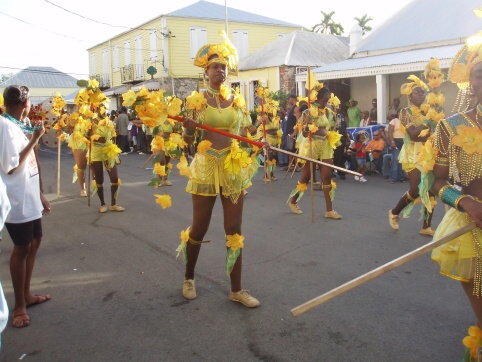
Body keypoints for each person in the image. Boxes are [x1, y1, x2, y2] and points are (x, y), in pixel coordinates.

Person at [179, 31, 264, 308]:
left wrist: (260, 143)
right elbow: (188, 142)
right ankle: (189, 277)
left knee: (234, 228)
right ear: (206, 71)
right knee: (200, 228)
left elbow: (249, 132)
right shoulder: (196, 102)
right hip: (205, 167)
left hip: (231, 167)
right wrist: (190, 132)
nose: (221, 70)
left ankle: (236, 290)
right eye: (216, 66)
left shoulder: (237, 101)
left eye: (224, 66)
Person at [429, 32, 482, 336]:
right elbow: (436, 182)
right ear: (469, 81)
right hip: (473, 230)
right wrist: (466, 202)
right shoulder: (450, 127)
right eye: (480, 74)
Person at [0, 85, 52, 328]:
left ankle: (27, 295)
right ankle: (19, 306)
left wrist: (40, 193)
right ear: (25, 103)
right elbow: (11, 166)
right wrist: (34, 140)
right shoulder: (5, 127)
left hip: (30, 195)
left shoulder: (19, 124)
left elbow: (31, 161)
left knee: (35, 241)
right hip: (17, 197)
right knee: (22, 247)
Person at [388, 77, 435, 236]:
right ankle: (394, 212)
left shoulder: (428, 111)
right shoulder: (404, 112)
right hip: (414, 152)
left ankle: (426, 226)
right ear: (409, 96)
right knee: (415, 190)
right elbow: (414, 135)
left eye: (423, 91)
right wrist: (429, 121)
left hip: (430, 151)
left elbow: (434, 133)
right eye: (417, 92)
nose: (421, 94)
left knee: (431, 190)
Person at [287, 86, 342, 218]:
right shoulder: (308, 111)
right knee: (306, 177)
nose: (326, 103)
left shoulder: (328, 112)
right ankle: (293, 201)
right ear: (317, 99)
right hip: (312, 145)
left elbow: (331, 128)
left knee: (327, 177)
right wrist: (307, 125)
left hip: (326, 146)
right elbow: (304, 133)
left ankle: (329, 210)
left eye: (327, 100)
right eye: (323, 100)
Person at [384, 108, 405, 183]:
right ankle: (392, 178)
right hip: (396, 140)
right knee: (395, 160)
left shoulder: (406, 121)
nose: (403, 114)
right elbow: (390, 132)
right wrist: (392, 141)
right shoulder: (394, 121)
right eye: (401, 112)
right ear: (398, 113)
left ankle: (401, 178)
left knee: (402, 160)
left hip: (404, 141)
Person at [285, 94, 298, 171]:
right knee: (290, 149)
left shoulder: (296, 108)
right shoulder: (292, 108)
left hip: (292, 132)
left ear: (292, 99)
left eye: (289, 99)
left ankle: (294, 165)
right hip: (290, 132)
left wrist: (294, 133)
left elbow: (297, 121)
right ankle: (291, 164)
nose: (288, 101)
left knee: (292, 150)